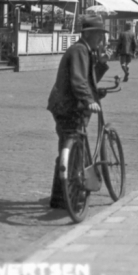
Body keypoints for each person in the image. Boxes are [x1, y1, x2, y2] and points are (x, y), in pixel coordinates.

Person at [46, 16, 109, 209]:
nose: (102, 39)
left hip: (67, 106)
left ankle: (60, 197)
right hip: (69, 107)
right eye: (99, 34)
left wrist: (101, 63)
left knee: (69, 149)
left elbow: (87, 79)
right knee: (74, 150)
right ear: (88, 34)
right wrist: (89, 100)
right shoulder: (80, 50)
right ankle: (69, 196)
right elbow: (78, 81)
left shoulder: (85, 51)